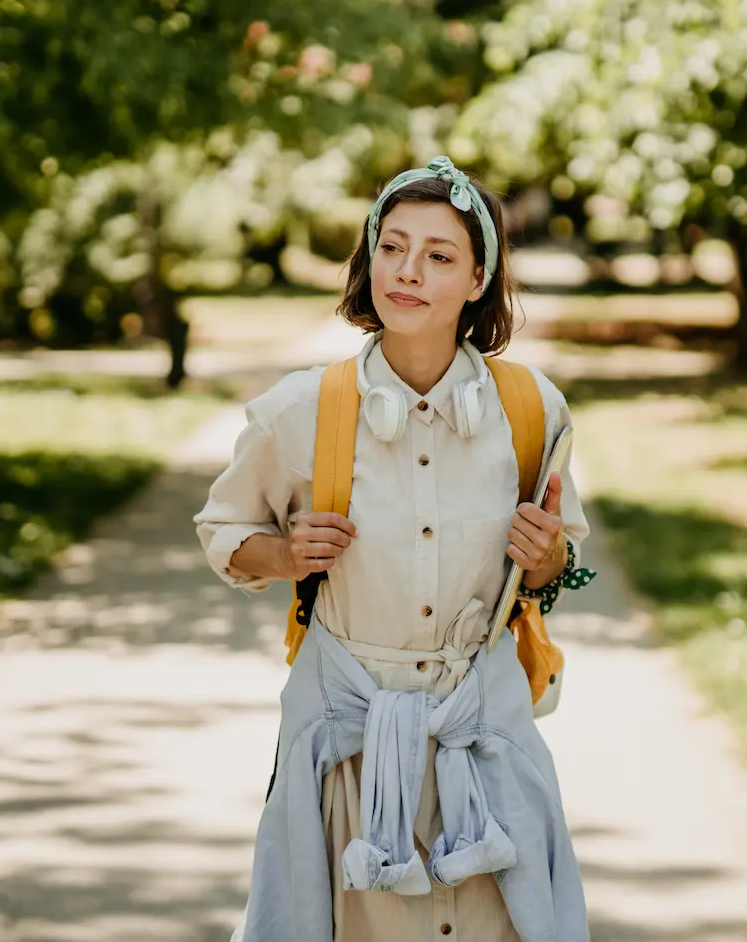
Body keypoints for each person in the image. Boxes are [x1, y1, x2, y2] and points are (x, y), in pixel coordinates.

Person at [195, 156, 593, 941]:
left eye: (440, 256)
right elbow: (222, 532)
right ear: (369, 255)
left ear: (478, 278)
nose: (408, 272)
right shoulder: (300, 410)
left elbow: (556, 567)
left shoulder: (531, 410)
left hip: (484, 747)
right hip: (347, 758)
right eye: (392, 246)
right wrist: (283, 556)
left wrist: (544, 557)